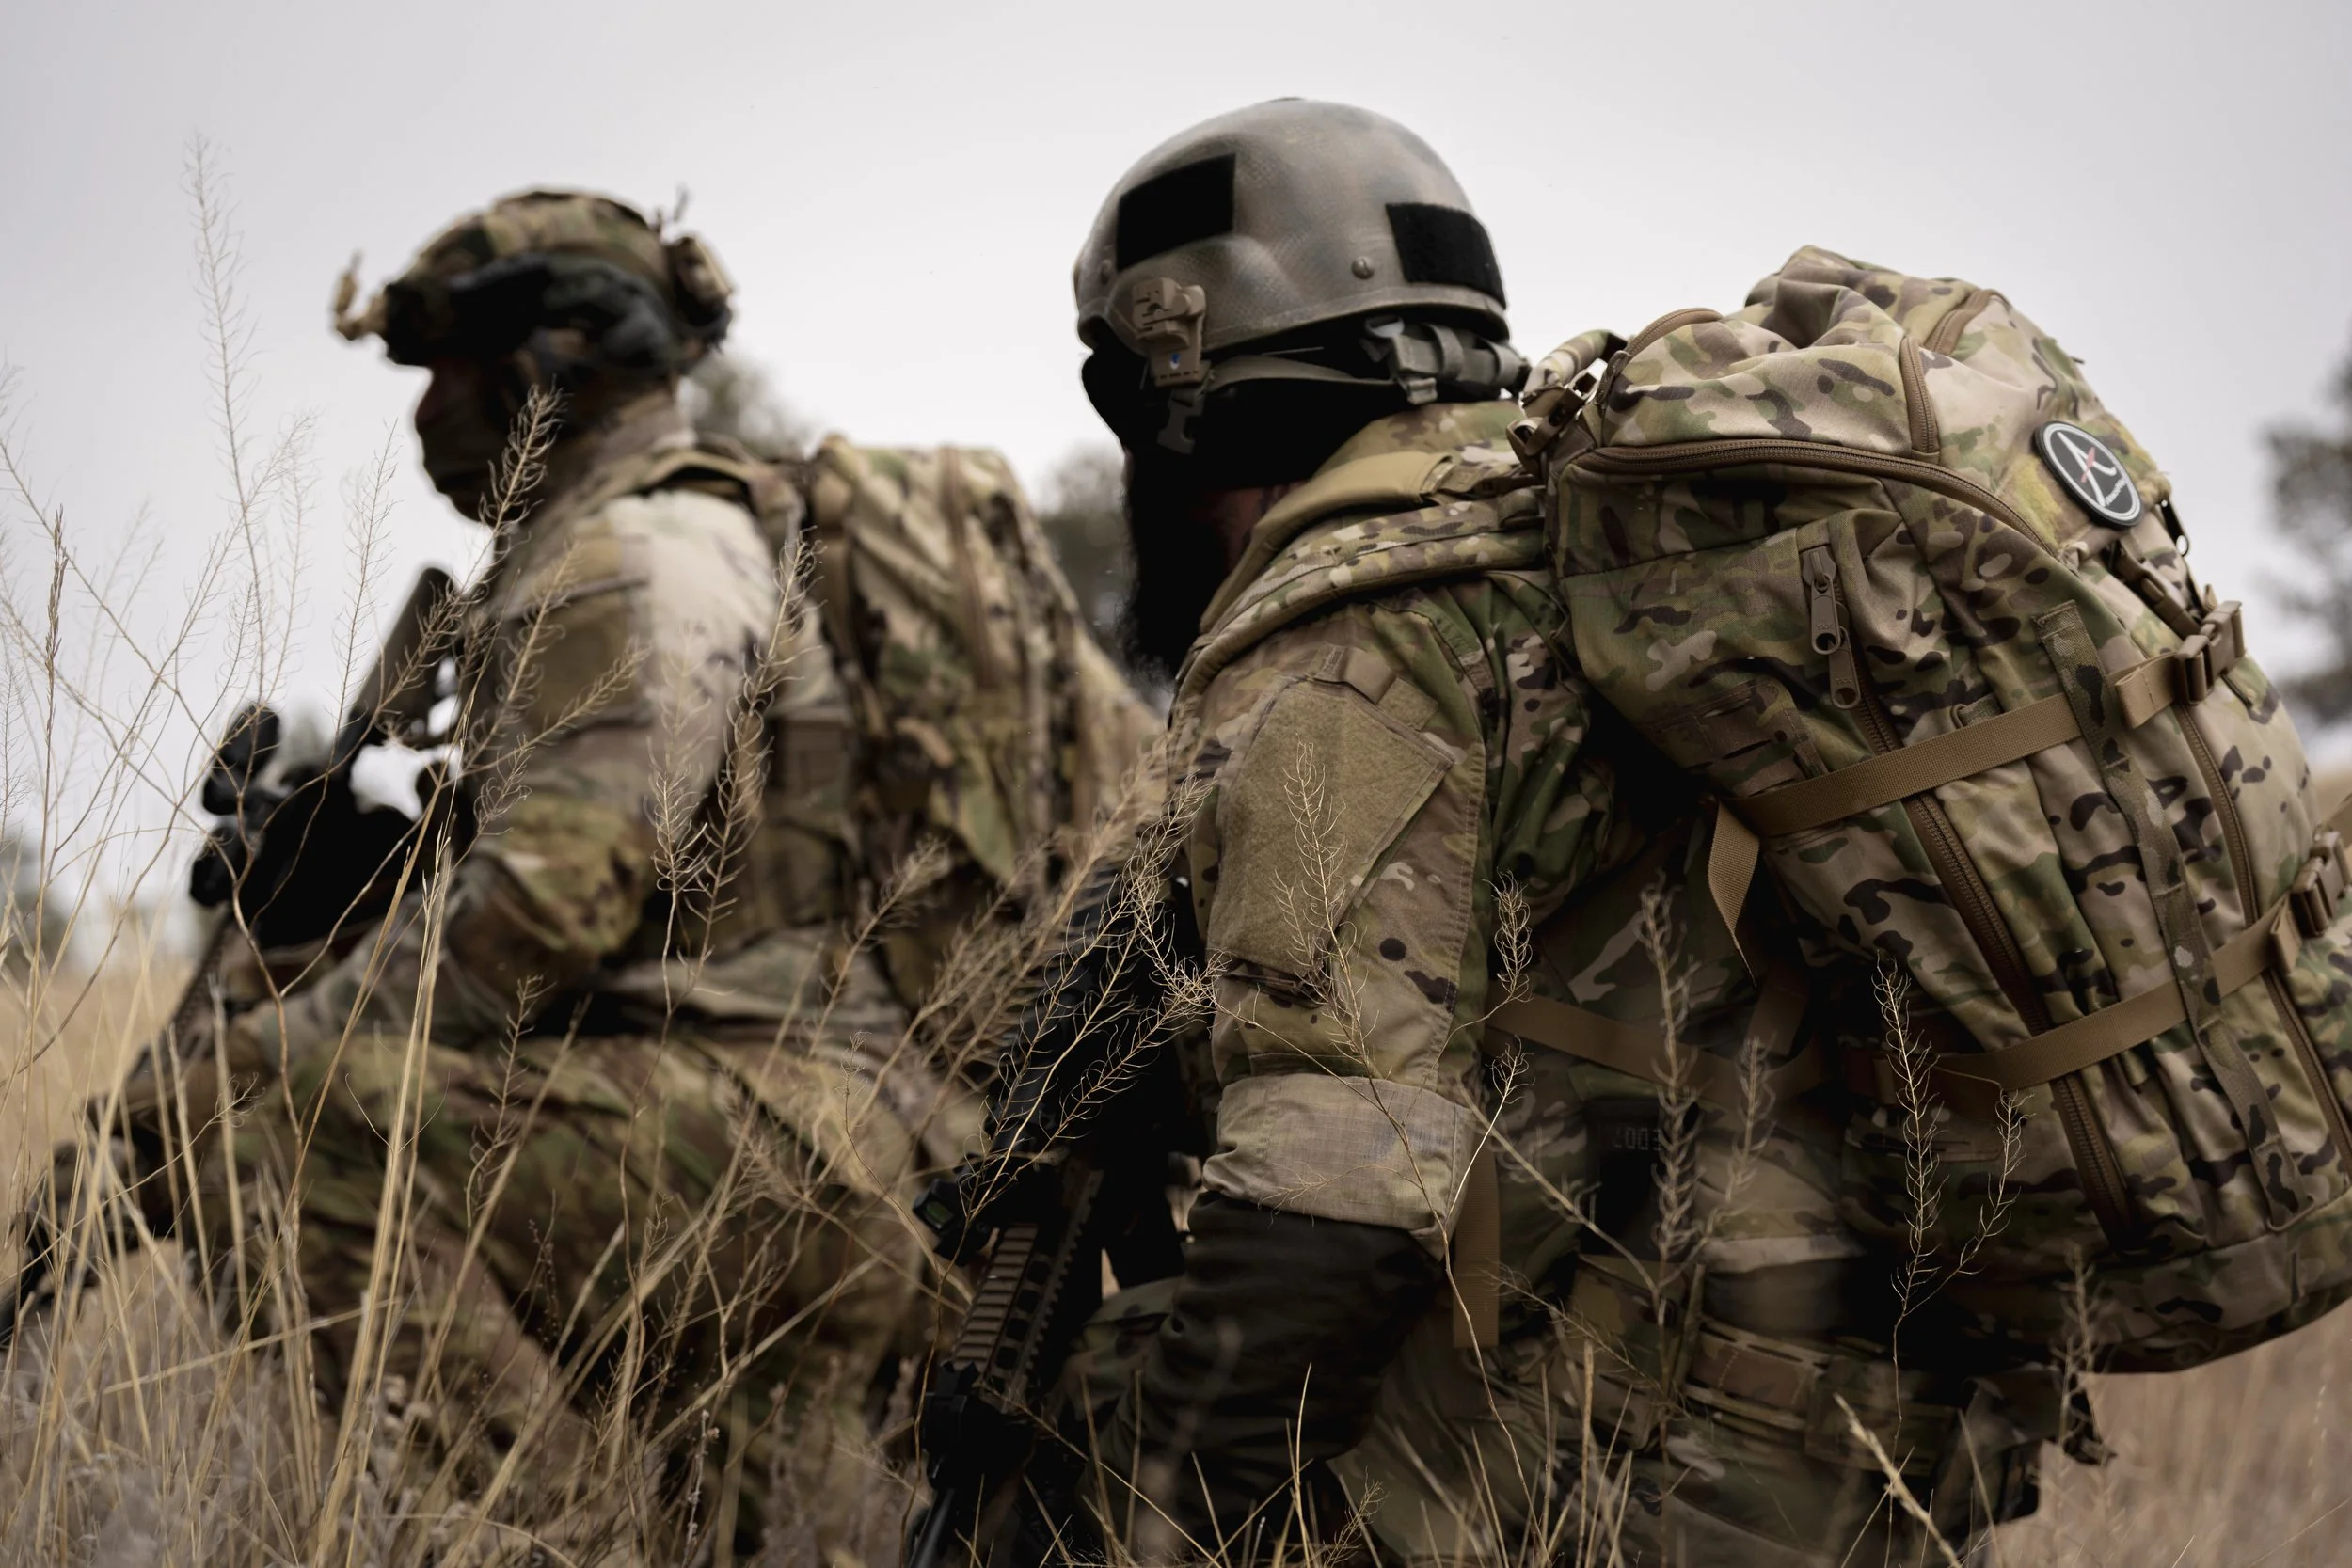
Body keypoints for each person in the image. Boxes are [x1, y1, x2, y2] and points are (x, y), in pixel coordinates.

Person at [19, 189, 1154, 1560]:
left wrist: (239, 1069)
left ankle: (546, 1543)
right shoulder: (658, 542)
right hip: (814, 1139)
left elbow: (549, 908)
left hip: (807, 1145)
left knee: (273, 1130)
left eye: (443, 367)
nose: (425, 410)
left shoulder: (632, 557)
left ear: (546, 362)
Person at [1058, 101, 2057, 1566]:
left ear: (1177, 394)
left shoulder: (1354, 638)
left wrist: (1173, 1520)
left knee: (1106, 1405)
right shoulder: (1601, 539)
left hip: (1660, 1461)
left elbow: (1337, 1183)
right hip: (1898, 1417)